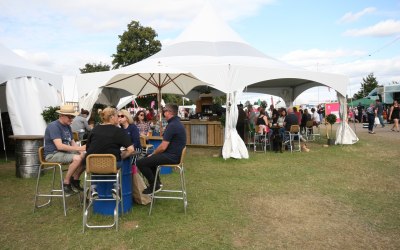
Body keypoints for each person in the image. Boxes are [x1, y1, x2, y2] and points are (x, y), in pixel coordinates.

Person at [136, 104, 186, 195]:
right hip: (174, 155)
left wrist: (154, 153)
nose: (163, 113)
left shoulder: (172, 125)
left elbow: (163, 147)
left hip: (172, 156)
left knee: (140, 162)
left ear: (169, 112)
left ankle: (154, 185)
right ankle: (157, 183)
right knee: (148, 157)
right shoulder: (176, 123)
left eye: (164, 111)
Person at [44, 105, 86, 194]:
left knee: (86, 156)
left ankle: (74, 180)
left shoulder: (67, 127)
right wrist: (79, 148)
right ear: (61, 115)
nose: (72, 119)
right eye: (70, 117)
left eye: (73, 116)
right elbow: (59, 146)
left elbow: (72, 142)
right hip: (53, 154)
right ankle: (66, 182)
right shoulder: (53, 126)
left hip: (64, 153)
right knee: (77, 158)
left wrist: (82, 151)